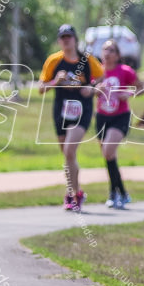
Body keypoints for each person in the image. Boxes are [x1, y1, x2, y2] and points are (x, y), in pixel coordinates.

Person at [39, 25, 104, 211]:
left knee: (69, 151)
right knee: (68, 155)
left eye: (69, 37)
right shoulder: (54, 61)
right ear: (59, 40)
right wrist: (55, 82)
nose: (66, 40)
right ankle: (76, 192)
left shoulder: (87, 60)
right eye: (63, 37)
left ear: (75, 39)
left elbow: (101, 78)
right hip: (61, 110)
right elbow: (41, 88)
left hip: (82, 109)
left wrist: (91, 88)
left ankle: (72, 194)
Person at [94, 39, 144, 209]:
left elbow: (141, 89)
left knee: (108, 151)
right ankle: (120, 193)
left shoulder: (125, 71)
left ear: (117, 55)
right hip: (101, 116)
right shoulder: (97, 71)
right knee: (109, 157)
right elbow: (89, 90)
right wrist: (96, 89)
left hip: (120, 116)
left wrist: (128, 93)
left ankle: (114, 193)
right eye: (104, 50)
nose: (107, 53)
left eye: (111, 50)